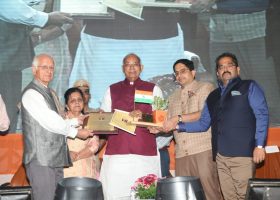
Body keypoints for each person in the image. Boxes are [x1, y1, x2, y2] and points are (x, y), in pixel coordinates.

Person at [164, 52, 269, 200]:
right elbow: (202, 124)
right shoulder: (213, 96)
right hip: (220, 157)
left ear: (237, 69)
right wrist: (177, 126)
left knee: (244, 196)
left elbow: (262, 115)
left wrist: (259, 146)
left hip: (242, 154)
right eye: (221, 67)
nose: (225, 69)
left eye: (229, 65)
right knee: (229, 196)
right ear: (217, 72)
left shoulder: (249, 86)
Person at [21, 54, 93, 200]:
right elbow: (51, 121)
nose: (49, 71)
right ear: (34, 70)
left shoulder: (49, 92)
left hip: (54, 159)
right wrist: (76, 132)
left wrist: (76, 121)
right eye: (44, 67)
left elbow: (55, 121)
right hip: (41, 159)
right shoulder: (31, 93)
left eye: (52, 68)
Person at [0, 0, 74, 132]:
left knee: (14, 110)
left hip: (14, 56)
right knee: (7, 115)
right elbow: (8, 5)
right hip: (6, 57)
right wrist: (47, 18)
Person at [154, 59, 223, 200]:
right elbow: (169, 124)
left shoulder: (206, 87)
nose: (179, 75)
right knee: (184, 194)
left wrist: (178, 118)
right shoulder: (172, 97)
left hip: (203, 149)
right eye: (176, 73)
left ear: (193, 72)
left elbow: (204, 114)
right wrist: (157, 128)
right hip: (181, 155)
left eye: (183, 71)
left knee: (210, 192)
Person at [100, 53, 162, 199]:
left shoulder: (154, 89)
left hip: (144, 153)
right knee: (115, 194)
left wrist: (144, 116)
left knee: (145, 196)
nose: (132, 68)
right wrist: (100, 118)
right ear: (123, 68)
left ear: (141, 67)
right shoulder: (111, 90)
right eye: (128, 64)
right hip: (116, 154)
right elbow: (104, 120)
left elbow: (162, 119)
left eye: (135, 64)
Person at [63, 87, 100, 179]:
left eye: (80, 100)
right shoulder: (60, 122)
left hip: (86, 169)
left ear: (83, 103)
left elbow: (94, 146)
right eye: (72, 101)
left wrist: (77, 156)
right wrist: (67, 155)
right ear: (67, 106)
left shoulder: (90, 120)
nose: (77, 102)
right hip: (65, 169)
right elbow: (53, 144)